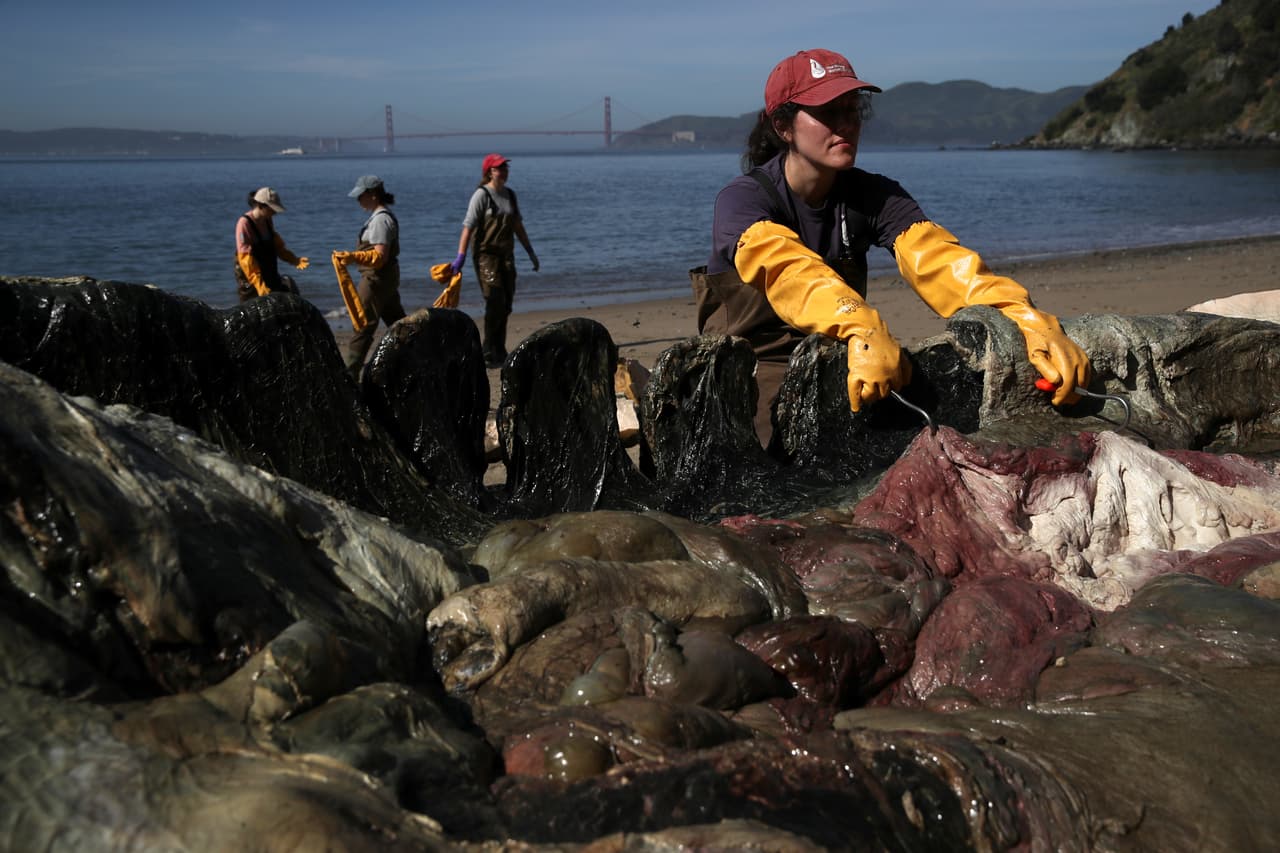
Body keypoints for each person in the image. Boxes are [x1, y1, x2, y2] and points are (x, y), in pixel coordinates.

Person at [697, 48, 1092, 445]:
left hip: (845, 353)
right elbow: (786, 268)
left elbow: (942, 264)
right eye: (828, 113)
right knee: (778, 451)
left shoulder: (876, 195)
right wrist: (862, 325)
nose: (847, 125)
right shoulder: (743, 200)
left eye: (853, 110)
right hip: (754, 363)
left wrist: (1025, 321)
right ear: (784, 127)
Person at [450, 153, 539, 367]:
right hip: (485, 256)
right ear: (490, 171)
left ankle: (499, 348)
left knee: (506, 303)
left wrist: (530, 252)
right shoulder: (481, 196)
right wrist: (460, 257)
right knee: (494, 299)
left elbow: (518, 226)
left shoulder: (510, 195)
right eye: (499, 168)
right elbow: (467, 227)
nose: (504, 171)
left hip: (506, 255)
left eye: (505, 168)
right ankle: (488, 349)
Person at [333, 175, 404, 379]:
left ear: (373, 195)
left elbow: (380, 257)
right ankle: (415, 360)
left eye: (361, 196)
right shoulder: (379, 217)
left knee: (362, 326)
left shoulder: (381, 220)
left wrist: (353, 257)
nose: (358, 200)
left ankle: (350, 375)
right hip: (385, 280)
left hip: (375, 280)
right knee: (398, 324)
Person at [234, 187, 308, 301]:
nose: (274, 213)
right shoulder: (244, 223)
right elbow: (246, 260)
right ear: (261, 206)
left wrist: (293, 259)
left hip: (268, 269)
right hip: (250, 274)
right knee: (252, 304)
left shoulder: (267, 220)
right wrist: (259, 285)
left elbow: (277, 247)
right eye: (272, 209)